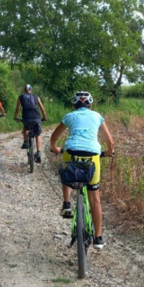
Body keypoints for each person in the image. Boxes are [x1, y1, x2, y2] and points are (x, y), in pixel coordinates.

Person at [50, 91, 114, 249]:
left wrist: (56, 148)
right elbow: (110, 143)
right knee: (95, 198)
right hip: (92, 156)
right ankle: (98, 237)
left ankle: (66, 204)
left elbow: (54, 138)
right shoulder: (97, 116)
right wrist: (107, 153)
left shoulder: (70, 116)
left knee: (66, 168)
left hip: (71, 152)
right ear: (90, 105)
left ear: (74, 105)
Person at [14, 84, 47, 163]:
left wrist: (15, 116)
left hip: (26, 118)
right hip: (36, 117)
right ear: (31, 90)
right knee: (38, 134)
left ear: (24, 90)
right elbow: (42, 109)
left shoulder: (21, 97)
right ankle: (38, 152)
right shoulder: (36, 97)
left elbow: (17, 109)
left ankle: (25, 142)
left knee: (25, 128)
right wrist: (44, 117)